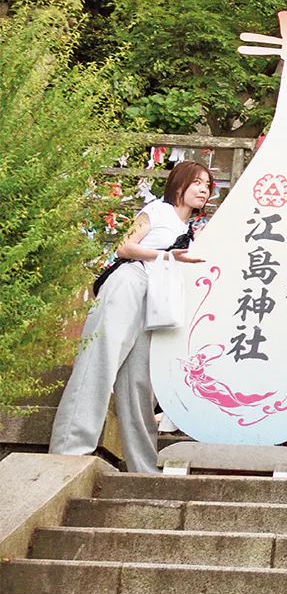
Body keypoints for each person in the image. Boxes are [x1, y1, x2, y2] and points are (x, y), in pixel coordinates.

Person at [51, 159, 214, 474]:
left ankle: (143, 467)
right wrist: (166, 255)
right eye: (197, 182)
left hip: (158, 302)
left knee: (140, 382)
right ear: (178, 184)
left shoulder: (192, 231)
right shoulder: (157, 210)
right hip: (130, 282)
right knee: (100, 360)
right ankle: (69, 452)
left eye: (207, 185)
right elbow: (125, 246)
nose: (203, 189)